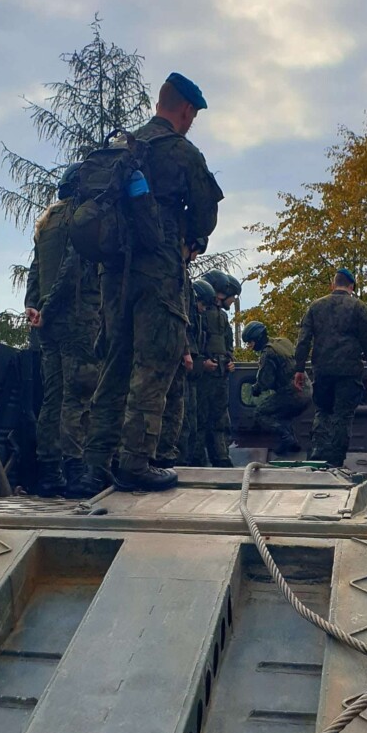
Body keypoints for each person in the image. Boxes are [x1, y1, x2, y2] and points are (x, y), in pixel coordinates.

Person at [71, 73, 223, 497]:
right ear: (186, 110)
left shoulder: (123, 147)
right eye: (193, 115)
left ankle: (94, 467)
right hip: (159, 272)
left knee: (115, 363)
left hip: (114, 275)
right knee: (154, 363)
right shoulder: (181, 151)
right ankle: (135, 463)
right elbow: (205, 216)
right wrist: (188, 238)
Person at [24, 163, 100, 497]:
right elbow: (72, 269)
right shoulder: (78, 218)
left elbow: (35, 269)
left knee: (52, 398)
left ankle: (49, 472)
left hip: (48, 323)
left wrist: (34, 306)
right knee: (78, 396)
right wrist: (50, 307)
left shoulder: (48, 222)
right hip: (76, 317)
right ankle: (75, 472)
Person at [294, 268, 367, 466]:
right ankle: (336, 460)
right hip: (349, 372)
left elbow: (303, 340)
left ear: (333, 285)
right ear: (352, 287)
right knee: (343, 415)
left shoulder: (315, 307)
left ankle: (317, 454)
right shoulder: (358, 307)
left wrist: (299, 369)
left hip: (322, 370)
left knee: (322, 411)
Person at [195, 269, 238, 467]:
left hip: (221, 373)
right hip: (204, 374)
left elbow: (227, 343)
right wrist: (201, 362)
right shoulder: (199, 313)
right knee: (200, 419)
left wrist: (230, 359)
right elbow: (192, 339)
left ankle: (221, 457)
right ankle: (197, 460)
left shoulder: (222, 317)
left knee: (220, 419)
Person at [243, 321, 305, 454]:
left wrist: (255, 389)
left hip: (292, 393)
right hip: (306, 390)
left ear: (258, 338)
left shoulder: (268, 353)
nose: (249, 346)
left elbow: (265, 381)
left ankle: (287, 438)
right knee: (282, 413)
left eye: (250, 342)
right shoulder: (282, 342)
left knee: (260, 413)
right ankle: (291, 444)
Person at [177, 277, 215, 465]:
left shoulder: (197, 323)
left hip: (192, 382)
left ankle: (188, 461)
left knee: (192, 424)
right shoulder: (186, 324)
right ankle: (180, 462)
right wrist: (202, 365)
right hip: (182, 380)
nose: (203, 309)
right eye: (202, 304)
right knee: (183, 424)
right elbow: (186, 359)